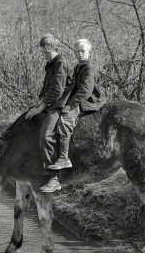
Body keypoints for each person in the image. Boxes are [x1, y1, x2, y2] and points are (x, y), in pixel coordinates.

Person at [47, 38, 105, 171]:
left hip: (89, 99)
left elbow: (85, 91)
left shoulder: (88, 69)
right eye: (77, 51)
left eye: (83, 51)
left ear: (89, 53)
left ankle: (63, 158)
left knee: (65, 121)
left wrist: (69, 105)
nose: (79, 53)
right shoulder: (79, 67)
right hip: (80, 97)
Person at [25, 34, 71, 193]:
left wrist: (40, 107)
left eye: (47, 53)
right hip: (53, 101)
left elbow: (57, 91)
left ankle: (54, 178)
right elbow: (48, 88)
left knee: (46, 135)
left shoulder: (60, 64)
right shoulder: (51, 63)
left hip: (61, 103)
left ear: (56, 49)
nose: (44, 56)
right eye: (42, 53)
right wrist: (39, 102)